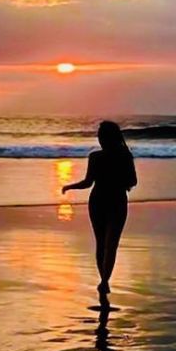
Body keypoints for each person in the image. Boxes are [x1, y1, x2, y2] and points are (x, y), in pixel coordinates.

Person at [62, 120, 137, 293]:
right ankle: (104, 280)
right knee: (109, 244)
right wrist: (70, 186)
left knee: (103, 243)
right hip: (114, 200)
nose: (100, 139)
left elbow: (88, 183)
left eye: (101, 136)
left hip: (100, 200)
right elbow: (132, 181)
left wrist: (71, 186)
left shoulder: (97, 157)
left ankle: (104, 280)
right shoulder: (124, 156)